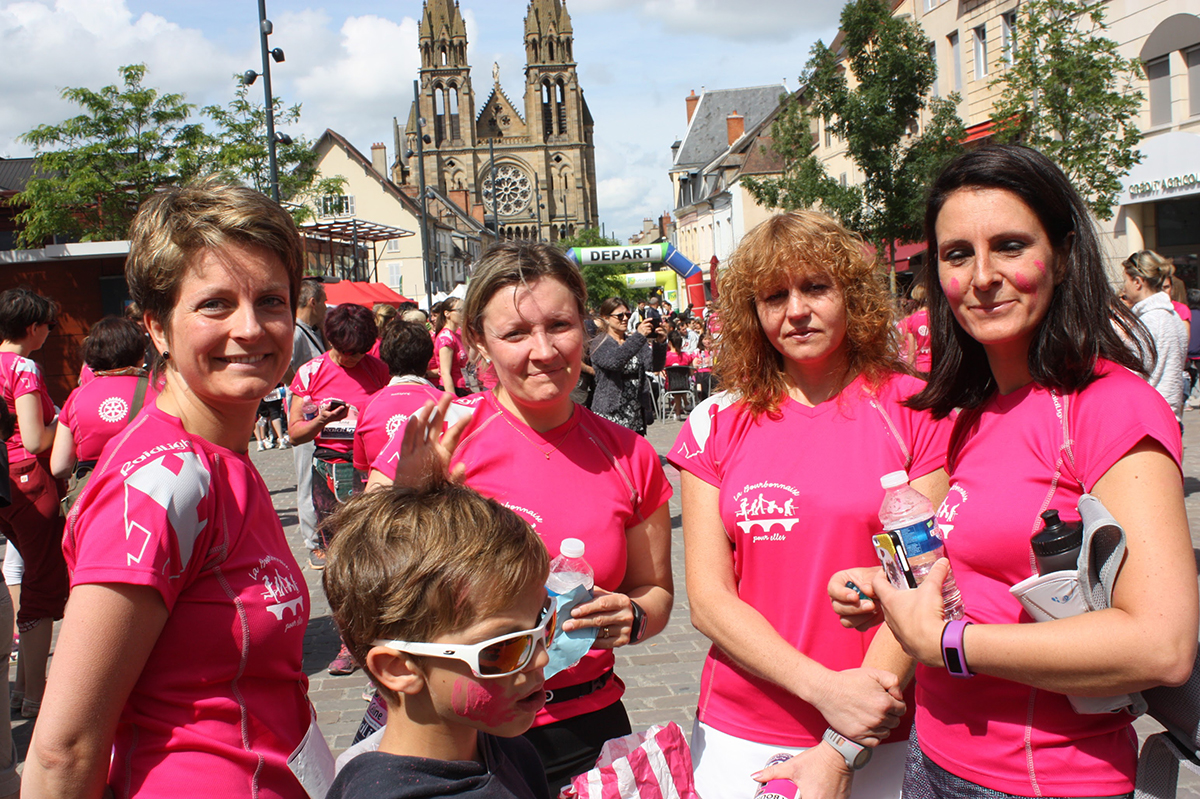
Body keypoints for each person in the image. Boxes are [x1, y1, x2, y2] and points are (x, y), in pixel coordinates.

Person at [830, 144, 1196, 799]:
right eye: (957, 254)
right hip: (933, 758)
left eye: (1009, 245)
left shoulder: (1110, 406)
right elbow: (980, 576)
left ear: (1062, 255)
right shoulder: (972, 412)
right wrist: (890, 593)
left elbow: (1161, 643)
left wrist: (950, 643)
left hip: (1044, 778)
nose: (982, 276)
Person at [26, 180, 321, 799]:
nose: (251, 328)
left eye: (271, 300)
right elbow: (63, 750)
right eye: (215, 304)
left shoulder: (223, 459)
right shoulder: (163, 483)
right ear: (157, 328)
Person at [367, 242, 673, 793]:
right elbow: (364, 586)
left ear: (584, 326)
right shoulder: (444, 435)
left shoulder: (630, 455)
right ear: (479, 342)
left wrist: (634, 616)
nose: (544, 350)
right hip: (461, 733)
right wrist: (409, 497)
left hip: (588, 726)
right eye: (515, 333)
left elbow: (655, 592)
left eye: (559, 325)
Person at [668, 211, 951, 799]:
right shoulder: (715, 421)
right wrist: (825, 690)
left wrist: (848, 727)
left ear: (851, 294)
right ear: (752, 312)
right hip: (742, 728)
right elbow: (710, 601)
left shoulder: (918, 410)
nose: (796, 310)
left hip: (883, 721)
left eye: (816, 287)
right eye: (774, 296)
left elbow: (926, 583)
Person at [322, 481, 553, 799]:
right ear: (398, 668)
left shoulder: (514, 754)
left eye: (545, 622)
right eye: (500, 648)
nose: (541, 657)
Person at [289, 302, 388, 672]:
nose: (352, 359)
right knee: (338, 562)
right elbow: (295, 433)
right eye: (346, 352)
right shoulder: (310, 373)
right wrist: (322, 420)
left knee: (377, 555)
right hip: (330, 474)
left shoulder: (378, 369)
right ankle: (349, 643)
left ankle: (379, 635)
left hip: (371, 473)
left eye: (359, 352)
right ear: (331, 342)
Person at [0, 288, 65, 723]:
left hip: (5, 485)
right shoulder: (22, 367)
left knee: (29, 577)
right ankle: (35, 694)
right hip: (29, 480)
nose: (49, 333)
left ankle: (25, 688)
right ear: (32, 327)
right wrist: (67, 417)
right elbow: (36, 438)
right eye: (48, 325)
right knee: (44, 585)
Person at [50, 316, 153, 489]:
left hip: (95, 493)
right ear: (141, 353)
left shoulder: (76, 397)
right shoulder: (158, 391)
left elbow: (59, 466)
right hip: (145, 489)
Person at [352, 319, 445, 476]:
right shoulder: (447, 403)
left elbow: (361, 465)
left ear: (385, 358)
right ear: (429, 358)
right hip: (431, 490)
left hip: (380, 489)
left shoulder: (370, 405)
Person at [1120, 249, 1188, 422]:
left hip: (1151, 418)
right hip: (1170, 416)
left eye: (1125, 280)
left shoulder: (1149, 321)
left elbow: (1132, 374)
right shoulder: (1173, 317)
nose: (1124, 287)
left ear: (1137, 282)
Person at [290, 278, 327, 569]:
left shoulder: (311, 331)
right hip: (305, 416)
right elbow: (285, 368)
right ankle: (312, 543)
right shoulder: (296, 333)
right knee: (306, 479)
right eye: (324, 302)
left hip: (315, 417)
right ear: (313, 302)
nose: (326, 307)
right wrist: (301, 394)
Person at [590, 297, 654, 435]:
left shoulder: (634, 340)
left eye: (628, 315)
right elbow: (615, 361)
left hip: (635, 412)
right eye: (620, 316)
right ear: (606, 318)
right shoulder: (599, 343)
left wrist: (661, 343)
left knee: (635, 448)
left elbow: (653, 365)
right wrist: (639, 336)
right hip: (610, 412)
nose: (625, 319)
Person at [436, 297, 469, 396]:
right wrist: (453, 398)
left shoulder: (457, 335)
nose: (463, 314)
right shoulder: (446, 338)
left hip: (463, 387)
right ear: (447, 314)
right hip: (453, 388)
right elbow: (445, 373)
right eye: (460, 310)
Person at [897, 283, 931, 373]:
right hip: (935, 365)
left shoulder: (911, 319)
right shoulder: (935, 318)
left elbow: (911, 351)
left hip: (920, 366)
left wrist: (910, 371)